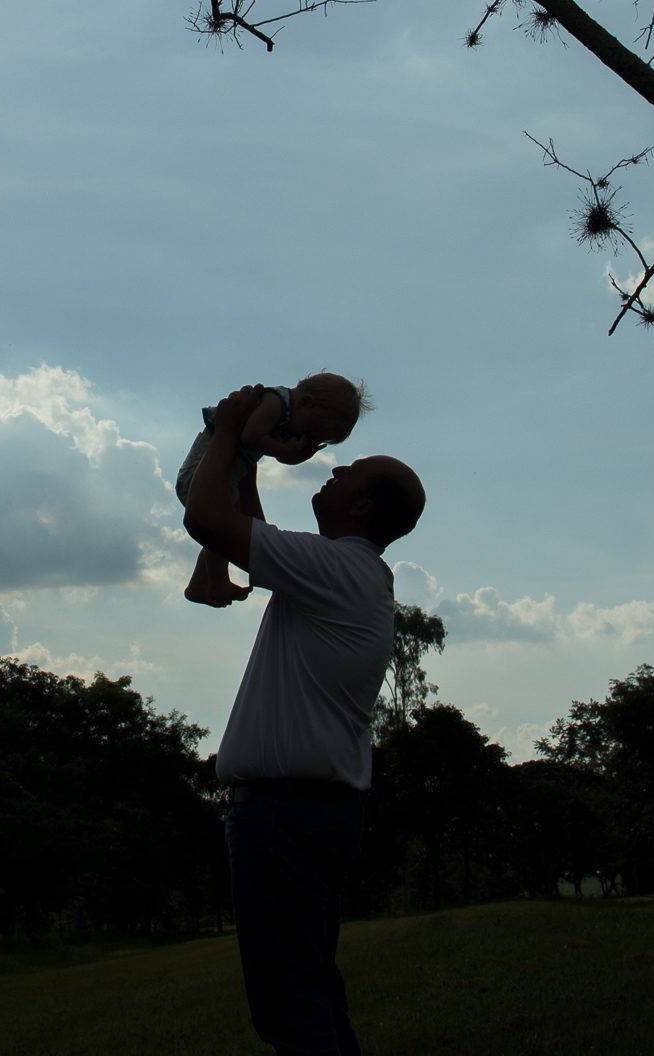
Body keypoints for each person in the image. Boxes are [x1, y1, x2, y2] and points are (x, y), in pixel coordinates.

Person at [182, 383, 426, 1056]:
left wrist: (230, 433)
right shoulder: (345, 574)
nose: (334, 467)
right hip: (308, 814)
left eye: (348, 471)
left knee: (292, 1010)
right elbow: (254, 537)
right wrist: (250, 463)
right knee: (309, 993)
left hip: (286, 819)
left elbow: (206, 520)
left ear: (362, 506)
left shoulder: (338, 569)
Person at [177, 372, 368, 608]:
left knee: (227, 525)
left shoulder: (291, 415)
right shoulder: (275, 402)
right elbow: (250, 437)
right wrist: (286, 451)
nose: (303, 437)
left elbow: (274, 452)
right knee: (222, 526)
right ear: (306, 403)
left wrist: (296, 455)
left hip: (226, 476)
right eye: (309, 432)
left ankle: (199, 583)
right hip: (200, 473)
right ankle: (216, 581)